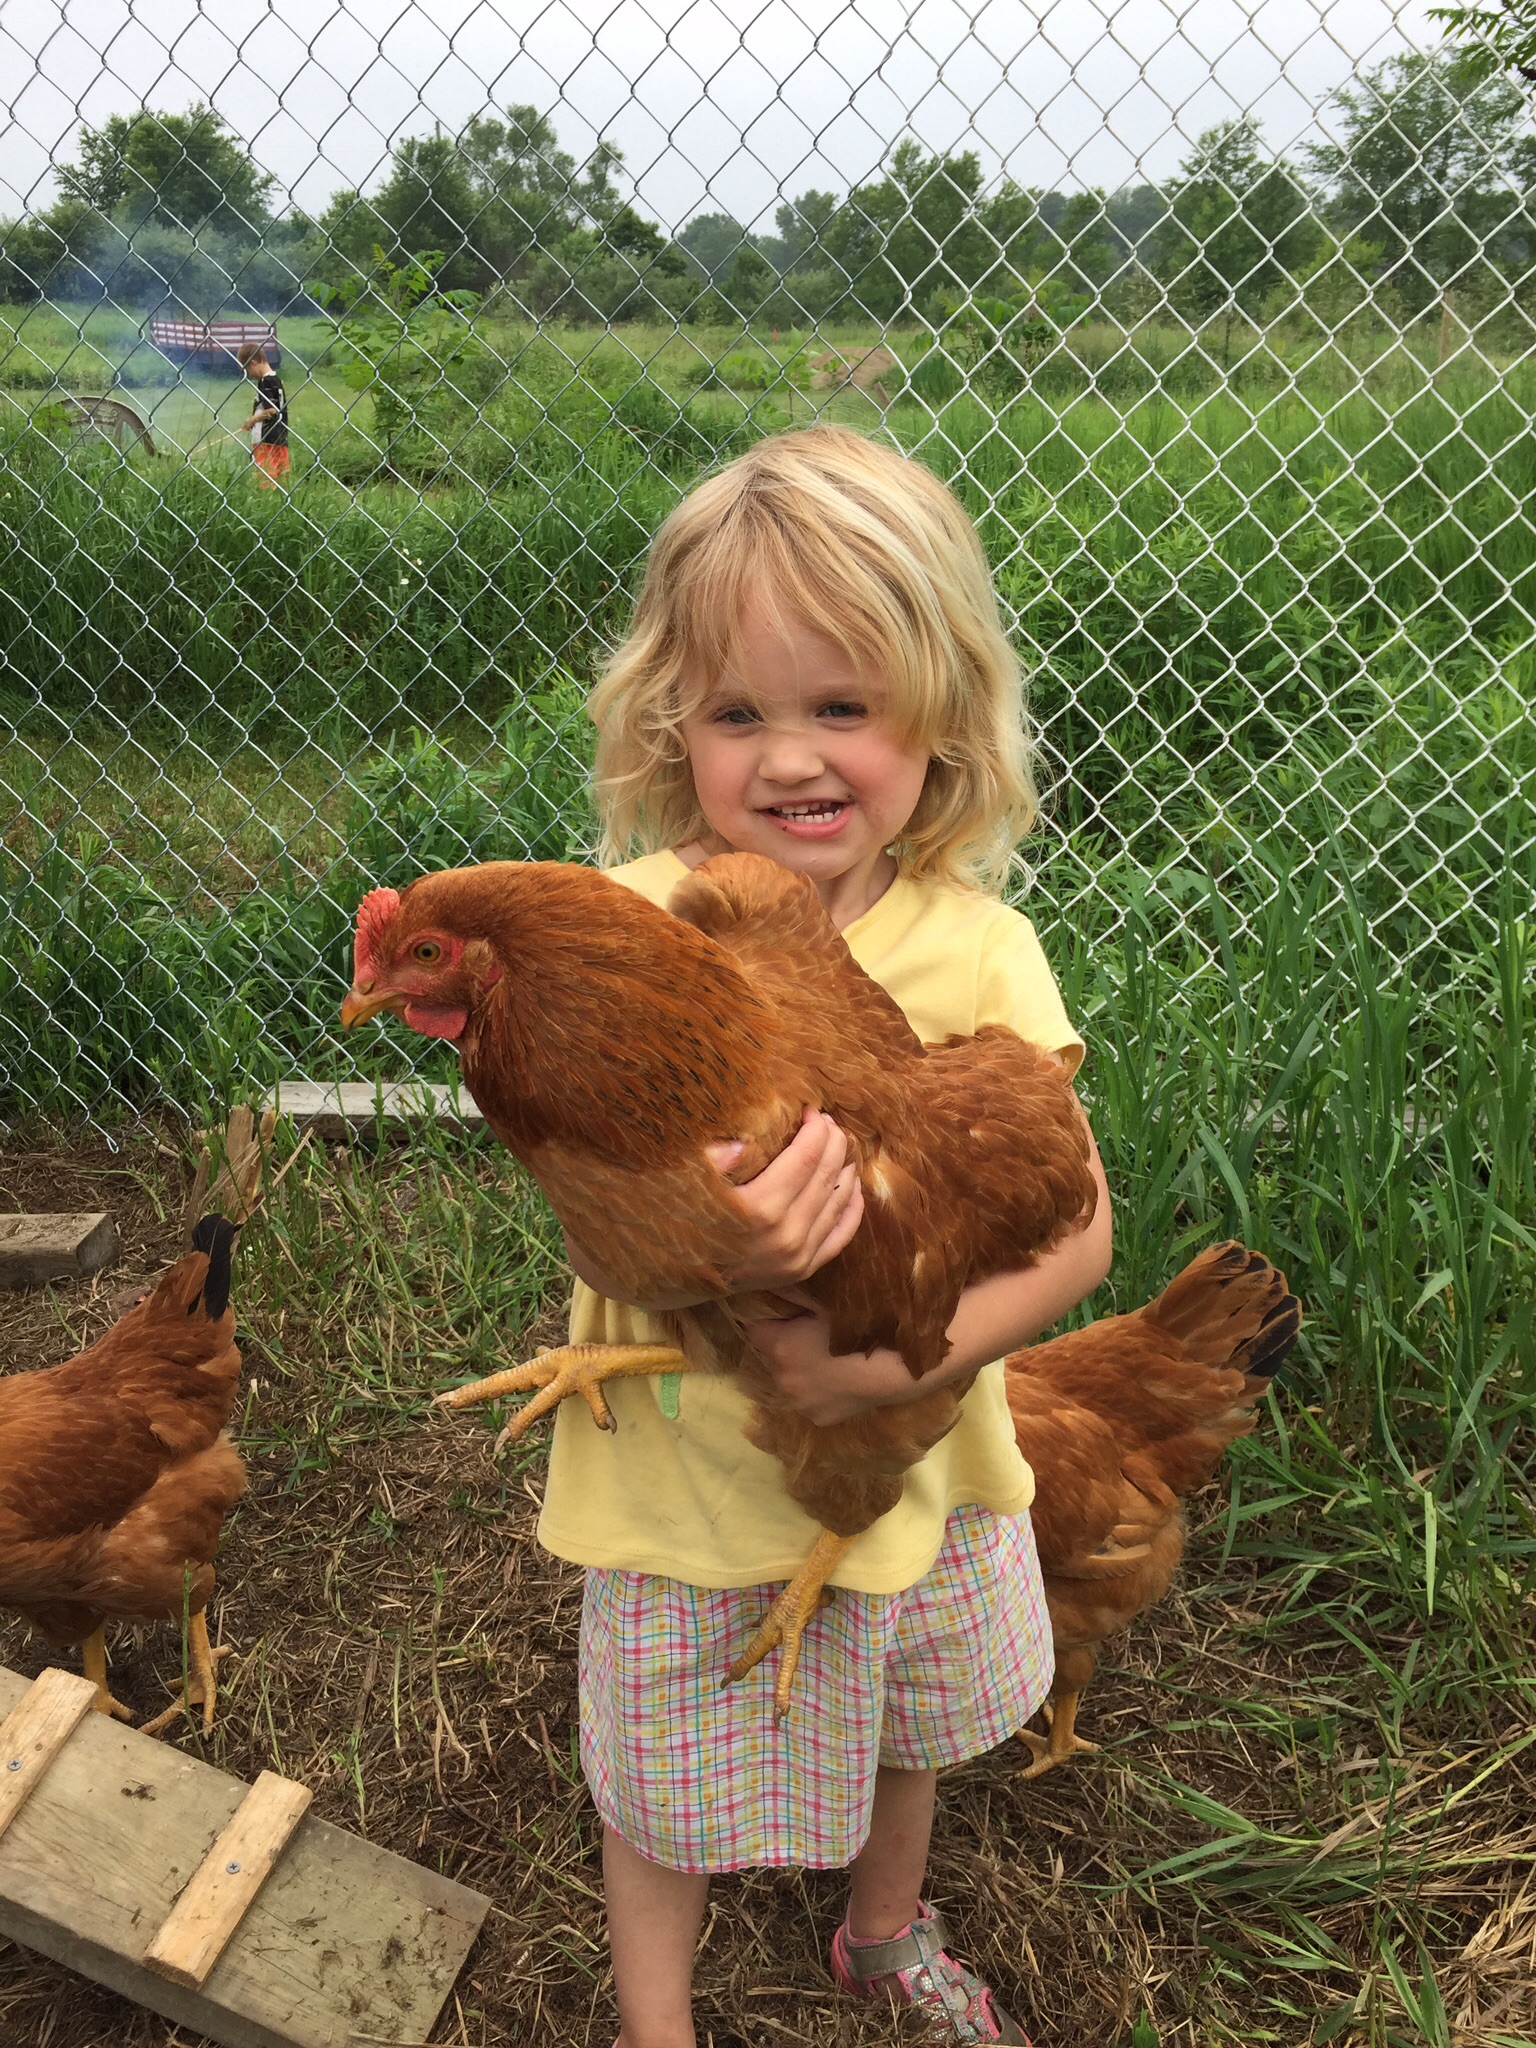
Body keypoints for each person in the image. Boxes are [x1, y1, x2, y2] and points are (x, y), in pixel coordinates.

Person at [548, 424, 1114, 2048]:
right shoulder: (644, 925)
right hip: (685, 1464)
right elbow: (585, 1191)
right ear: (676, 725)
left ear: (938, 717)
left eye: (841, 706)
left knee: (905, 1717)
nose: (790, 756)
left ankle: (883, 1927)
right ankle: (657, 2021)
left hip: (909, 1457)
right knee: (658, 1778)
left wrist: (892, 1363)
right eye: (740, 711)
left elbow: (1076, 1242)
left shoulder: (982, 950)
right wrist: (709, 1260)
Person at [235, 340, 288, 485]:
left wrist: (252, 420)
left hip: (266, 438)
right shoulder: (276, 380)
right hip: (280, 437)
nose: (250, 375)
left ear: (253, 363)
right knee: (281, 478)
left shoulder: (265, 381)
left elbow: (271, 410)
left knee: (265, 479)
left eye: (248, 370)